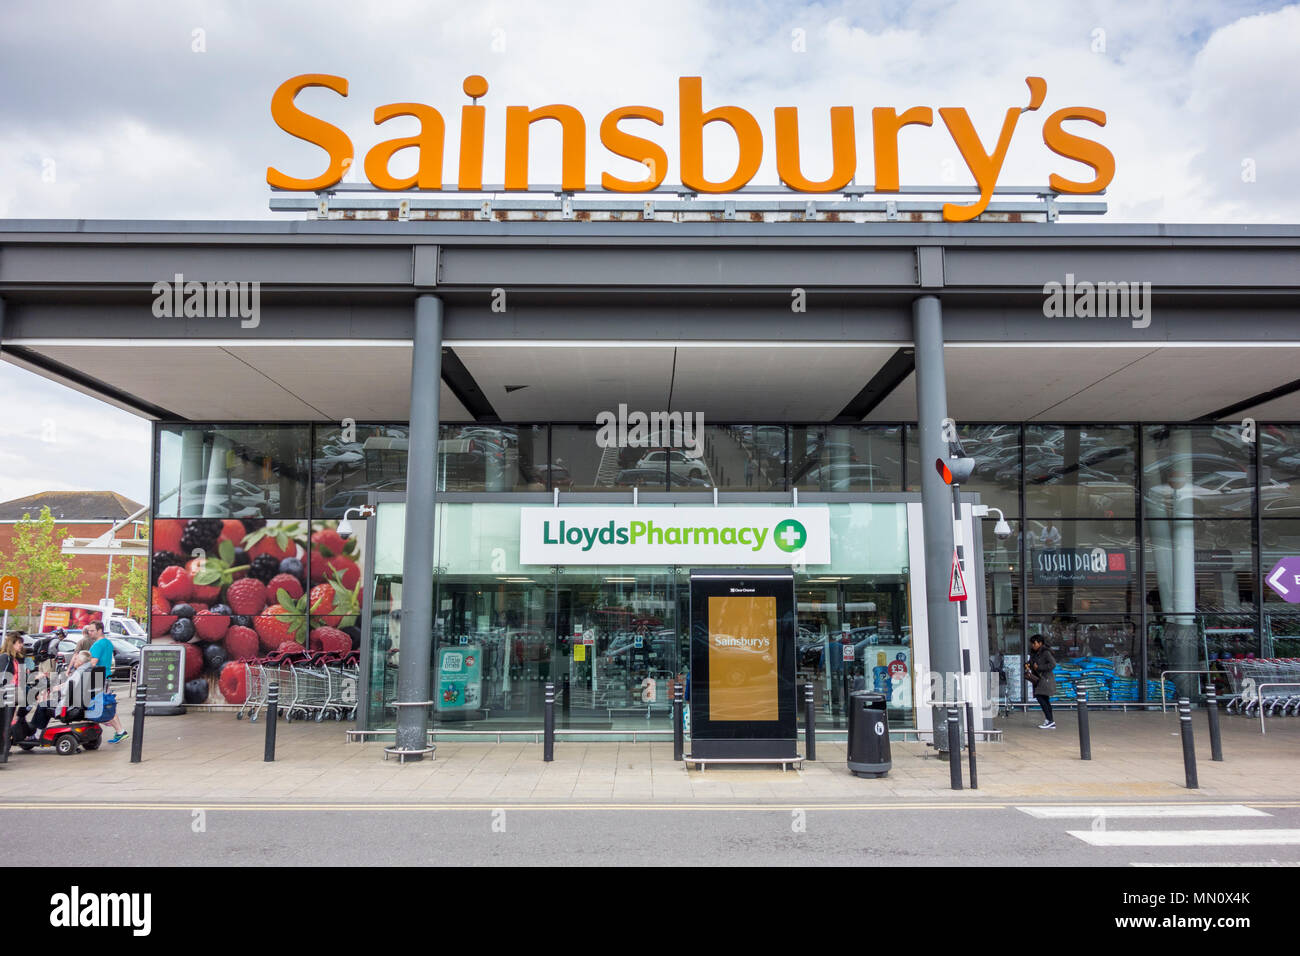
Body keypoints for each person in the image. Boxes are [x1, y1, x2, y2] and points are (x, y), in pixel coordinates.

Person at [83, 622, 127, 743]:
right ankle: (119, 730)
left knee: (103, 705)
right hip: (105, 675)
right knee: (106, 703)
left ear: (100, 630)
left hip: (98, 677)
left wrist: (80, 667)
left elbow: (93, 662)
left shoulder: (97, 645)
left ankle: (117, 729)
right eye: (89, 631)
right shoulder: (108, 642)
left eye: (92, 630)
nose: (89, 633)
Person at [1026, 634, 1057, 729]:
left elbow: (1052, 664)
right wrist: (1027, 665)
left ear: (1040, 643)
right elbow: (1032, 663)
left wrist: (1039, 668)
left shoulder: (1045, 652)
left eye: (1034, 643)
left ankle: (1050, 720)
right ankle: (1050, 720)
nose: (1033, 645)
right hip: (1038, 679)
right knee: (1045, 700)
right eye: (1032, 643)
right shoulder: (1034, 652)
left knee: (1040, 697)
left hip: (1045, 679)